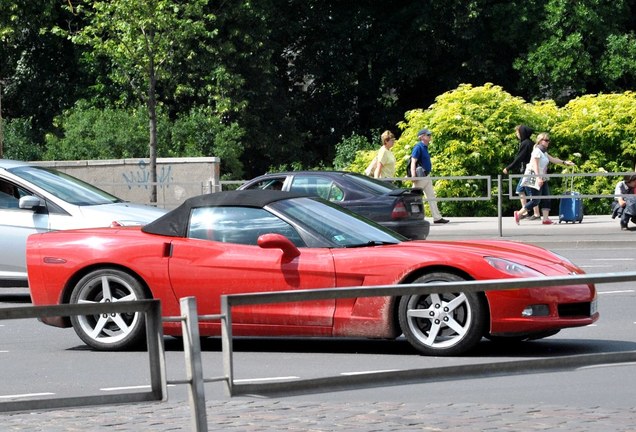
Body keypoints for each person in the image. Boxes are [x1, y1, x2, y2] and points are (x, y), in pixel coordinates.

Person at [514, 132, 575, 225]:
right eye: (546, 140)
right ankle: (519, 214)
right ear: (540, 141)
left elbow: (553, 159)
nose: (548, 142)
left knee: (546, 197)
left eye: (548, 140)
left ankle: (545, 219)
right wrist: (538, 178)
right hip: (534, 177)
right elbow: (535, 166)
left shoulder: (543, 152)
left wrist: (565, 162)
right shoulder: (536, 151)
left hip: (542, 176)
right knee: (535, 200)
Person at [410, 128, 449, 224]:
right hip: (420, 177)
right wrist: (413, 176)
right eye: (428, 135)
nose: (430, 136)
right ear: (422, 137)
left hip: (426, 176)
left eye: (429, 135)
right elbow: (413, 161)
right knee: (414, 198)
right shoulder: (418, 147)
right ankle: (412, 218)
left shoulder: (425, 147)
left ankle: (437, 217)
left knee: (431, 196)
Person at [503, 125, 540, 220]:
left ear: (522, 133)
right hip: (528, 171)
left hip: (528, 171)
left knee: (529, 192)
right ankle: (526, 211)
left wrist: (508, 168)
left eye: (517, 132)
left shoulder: (526, 143)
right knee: (522, 190)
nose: (517, 134)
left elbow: (519, 158)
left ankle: (535, 213)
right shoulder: (529, 143)